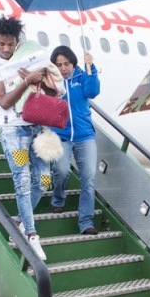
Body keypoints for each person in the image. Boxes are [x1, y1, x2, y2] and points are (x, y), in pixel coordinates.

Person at [0, 16, 50, 261]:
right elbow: (4, 101)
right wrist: (25, 81)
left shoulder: (27, 59)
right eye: (2, 44)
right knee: (21, 179)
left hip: (36, 127)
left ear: (17, 41)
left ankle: (19, 222)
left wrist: (39, 79)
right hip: (13, 131)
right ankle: (31, 236)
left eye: (11, 44)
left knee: (43, 180)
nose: (7, 49)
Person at [48, 46, 100, 234]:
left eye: (67, 64)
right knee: (61, 170)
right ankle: (57, 199)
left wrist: (91, 67)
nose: (63, 68)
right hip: (60, 135)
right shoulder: (51, 81)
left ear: (73, 63)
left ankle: (86, 221)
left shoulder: (82, 75)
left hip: (85, 135)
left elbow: (93, 91)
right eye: (59, 65)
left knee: (89, 177)